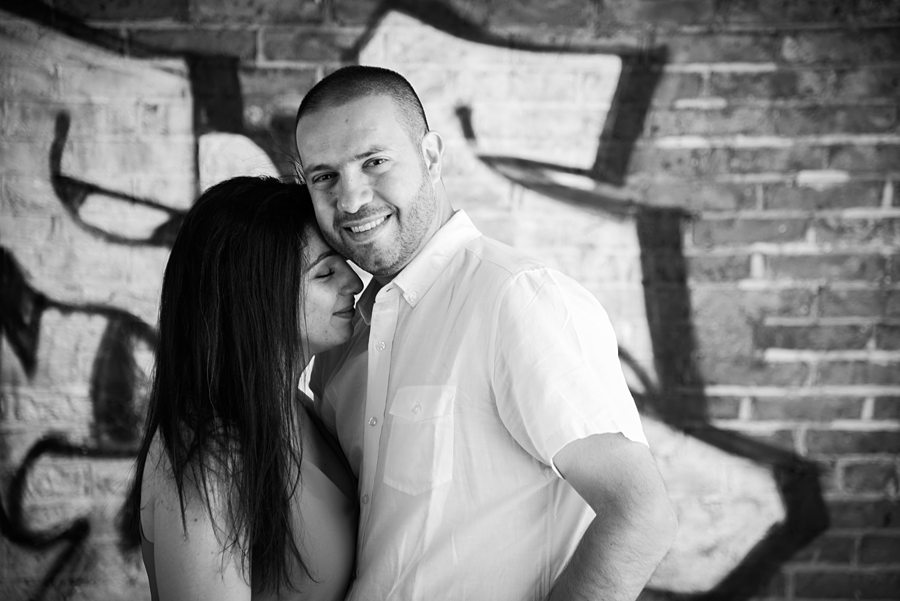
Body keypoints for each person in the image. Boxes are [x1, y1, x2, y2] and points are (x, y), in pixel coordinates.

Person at [294, 65, 677, 600]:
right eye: (324, 176)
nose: (352, 199)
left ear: (430, 155)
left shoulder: (515, 300)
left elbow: (641, 514)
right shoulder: (347, 336)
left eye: (375, 162)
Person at [121, 176, 363, 601]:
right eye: (325, 272)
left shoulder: (303, 407)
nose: (355, 284)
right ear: (256, 297)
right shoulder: (208, 450)